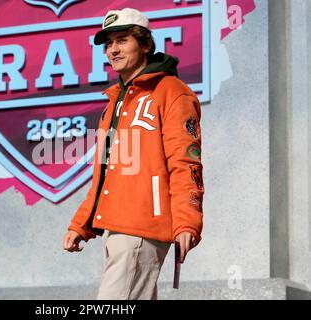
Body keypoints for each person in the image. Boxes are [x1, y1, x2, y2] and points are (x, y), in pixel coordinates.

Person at [63, 8, 204, 300]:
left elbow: (185, 161)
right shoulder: (115, 101)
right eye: (109, 43)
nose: (113, 49)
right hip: (114, 226)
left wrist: (187, 220)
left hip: (142, 226)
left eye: (122, 40)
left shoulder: (171, 92)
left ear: (145, 44)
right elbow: (105, 175)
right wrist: (82, 223)